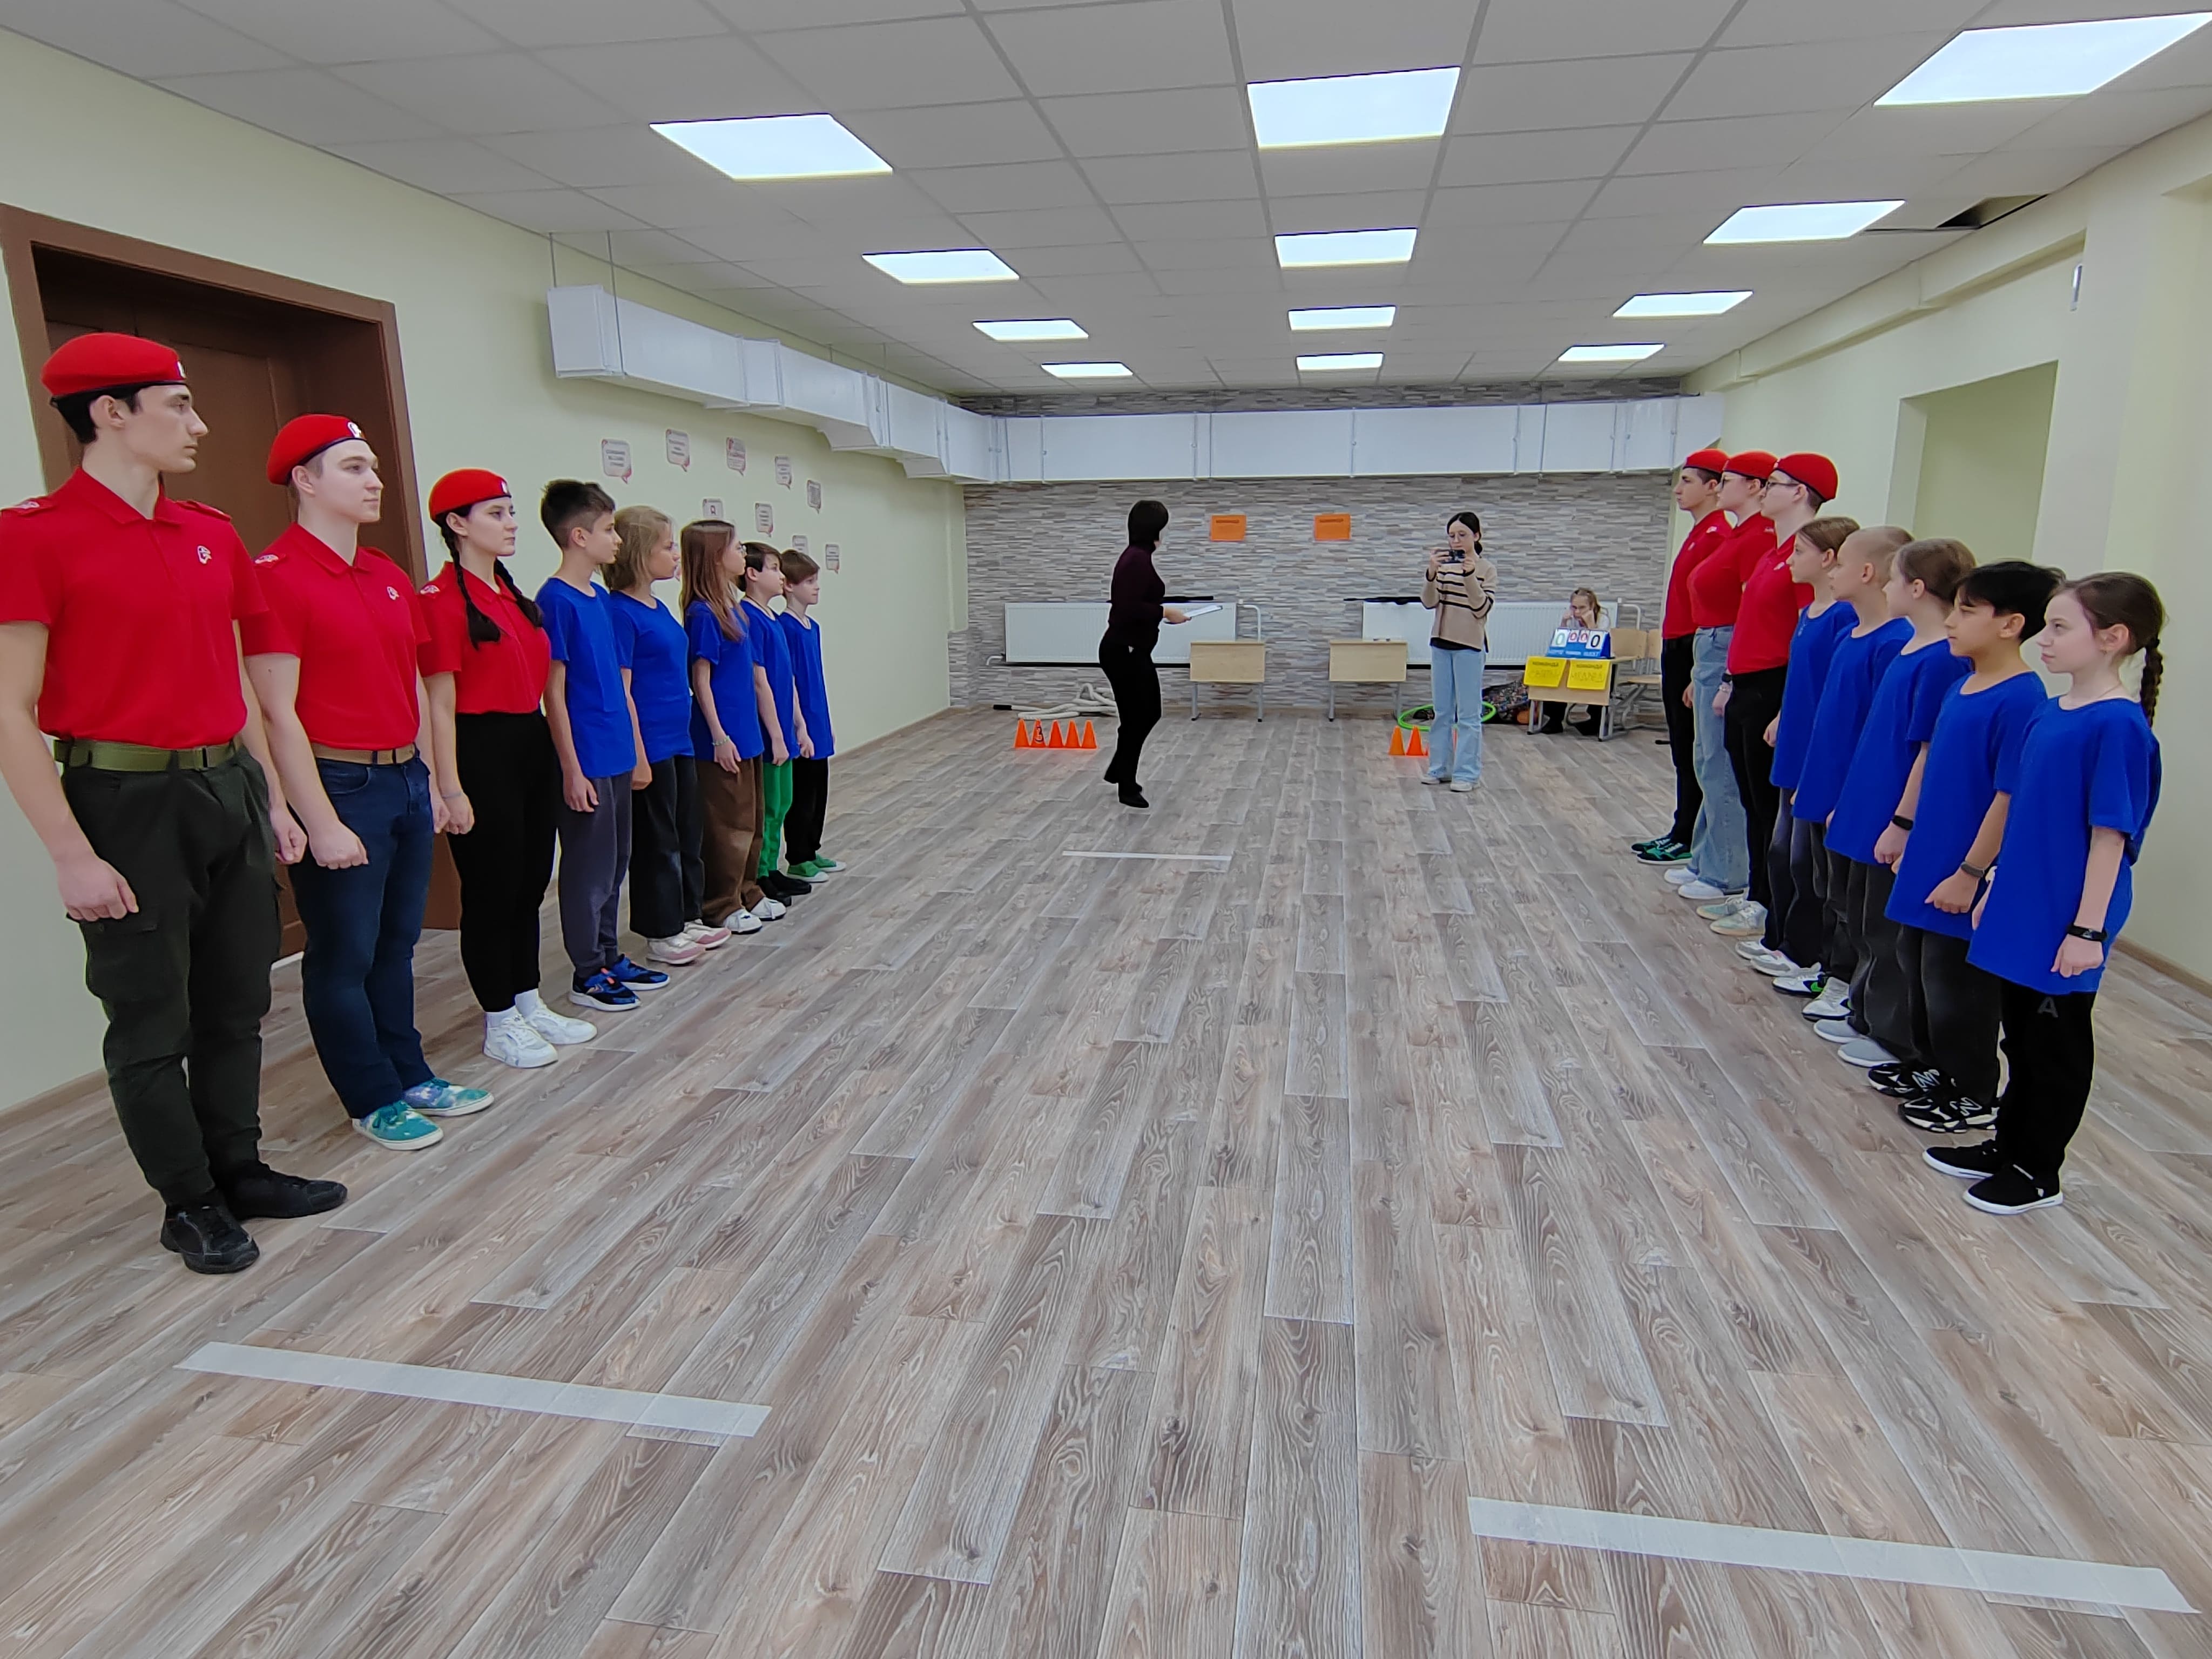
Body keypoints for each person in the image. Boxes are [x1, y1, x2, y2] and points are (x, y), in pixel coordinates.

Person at [0, 333, 341, 1272]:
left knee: (238, 998)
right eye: (178, 405)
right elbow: (9, 708)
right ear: (110, 412)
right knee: (150, 1016)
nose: (199, 425)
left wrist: (272, 800)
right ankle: (188, 1200)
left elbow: (234, 677)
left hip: (225, 784)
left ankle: (239, 1168)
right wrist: (71, 852)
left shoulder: (209, 532)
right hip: (123, 796)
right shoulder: (32, 534)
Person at [245, 416, 493, 1152]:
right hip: (338, 782)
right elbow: (276, 712)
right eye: (354, 467)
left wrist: (434, 782)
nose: (374, 480)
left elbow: (414, 684)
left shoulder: (385, 574)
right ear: (305, 480)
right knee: (344, 953)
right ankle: (370, 1094)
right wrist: (317, 819)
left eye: (374, 466)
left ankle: (409, 1072)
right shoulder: (275, 576)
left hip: (403, 778)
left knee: (396, 943)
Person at [1926, 573, 2163, 1216]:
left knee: (2053, 1045)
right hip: (2023, 900)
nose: (2044, 639)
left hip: (2068, 913)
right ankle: (2008, 1146)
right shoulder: (2049, 711)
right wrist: (1994, 879)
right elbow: (2026, 811)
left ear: (2113, 638)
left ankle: (2037, 1170)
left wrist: (2086, 931)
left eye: (2060, 628)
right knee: (2019, 1036)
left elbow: (2109, 838)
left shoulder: (2117, 726)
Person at [419, 469, 599, 1071]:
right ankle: (498, 1017)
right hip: (480, 747)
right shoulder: (439, 602)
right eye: (496, 514)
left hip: (529, 740)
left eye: (511, 511)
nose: (511, 524)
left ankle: (527, 999)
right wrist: (449, 786)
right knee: (491, 889)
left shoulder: (514, 599)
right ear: (457, 523)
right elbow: (439, 704)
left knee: (529, 881)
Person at [1878, 561, 2062, 1133]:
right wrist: (1905, 828)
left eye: (1967, 610)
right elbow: (1934, 763)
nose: (1952, 621)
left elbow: (2007, 797)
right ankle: (1929, 1064)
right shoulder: (1961, 684)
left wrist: (1971, 872)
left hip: (1963, 862)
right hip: (1928, 852)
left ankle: (1972, 1087)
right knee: (1915, 963)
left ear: (2011, 624)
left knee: (1955, 982)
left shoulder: (2021, 697)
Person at [1815, 537, 1976, 1072]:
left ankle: (1890, 1031)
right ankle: (1862, 1009)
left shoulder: (1941, 661)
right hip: (1867, 802)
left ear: (1916, 587)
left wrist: (1901, 822)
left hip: (1892, 811)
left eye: (1894, 579)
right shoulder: (1911, 651)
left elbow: (1925, 752)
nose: (1885, 587)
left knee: (1887, 933)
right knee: (1860, 918)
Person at [536, 481, 669, 1013]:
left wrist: (635, 752)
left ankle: (610, 956)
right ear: (578, 536)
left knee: (616, 863)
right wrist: (571, 768)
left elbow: (618, 683)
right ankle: (587, 971)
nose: (616, 540)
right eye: (609, 530)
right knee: (588, 870)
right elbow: (554, 692)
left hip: (616, 751)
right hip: (587, 757)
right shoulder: (556, 600)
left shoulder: (598, 601)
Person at [1785, 527, 1915, 1022]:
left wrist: (1848, 796)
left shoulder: (1894, 643)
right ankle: (1831, 971)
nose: (1833, 572)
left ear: (1866, 572)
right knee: (1826, 886)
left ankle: (1848, 985)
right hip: (1825, 782)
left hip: (1854, 793)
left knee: (1855, 902)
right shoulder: (1849, 634)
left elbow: (1877, 733)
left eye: (1840, 564)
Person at [1707, 452, 1833, 941]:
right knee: (1751, 799)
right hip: (1747, 683)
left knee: (1767, 806)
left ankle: (1767, 902)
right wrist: (1728, 682)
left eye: (1774, 483)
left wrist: (1786, 708)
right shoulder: (1772, 553)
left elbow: (1806, 636)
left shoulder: (1805, 560)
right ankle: (1756, 891)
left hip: (1773, 687)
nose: (1764, 491)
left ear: (1799, 493)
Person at [1736, 515, 1857, 985]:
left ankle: (1804, 950)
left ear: (1828, 559)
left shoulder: (1842, 619)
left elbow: (1834, 691)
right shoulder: (1810, 615)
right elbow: (1802, 681)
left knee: (1807, 860)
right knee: (1782, 850)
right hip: (1793, 743)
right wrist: (1783, 716)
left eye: (1800, 553)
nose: (1789, 561)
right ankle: (1779, 936)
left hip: (1816, 753)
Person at [608, 506, 723, 967]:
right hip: (651, 743)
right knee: (658, 841)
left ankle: (689, 914)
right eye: (668, 546)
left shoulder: (659, 609)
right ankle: (661, 929)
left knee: (688, 832)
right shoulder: (620, 612)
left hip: (680, 738)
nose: (676, 555)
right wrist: (637, 752)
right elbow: (624, 689)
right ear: (640, 553)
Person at [1668, 449, 1774, 904]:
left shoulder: (1754, 537)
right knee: (1705, 760)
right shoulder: (1738, 534)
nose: (1723, 486)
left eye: (1728, 480)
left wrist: (1729, 676)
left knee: (1719, 765)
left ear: (1753, 486)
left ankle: (1726, 870)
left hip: (1725, 645)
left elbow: (1750, 610)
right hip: (1710, 645)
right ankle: (1705, 857)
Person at [1633, 450, 1735, 864]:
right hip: (1677, 644)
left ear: (1713, 486)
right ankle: (1682, 827)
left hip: (1696, 646)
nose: (1678, 489)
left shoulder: (1718, 536)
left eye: (1688, 481)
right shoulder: (1699, 533)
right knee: (1682, 746)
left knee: (1697, 748)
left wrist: (1700, 669)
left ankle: (1691, 834)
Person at [682, 519, 770, 935]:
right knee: (727, 826)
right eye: (736, 547)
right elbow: (701, 680)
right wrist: (718, 736)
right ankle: (721, 903)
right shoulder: (702, 613)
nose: (743, 554)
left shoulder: (734, 609)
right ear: (717, 557)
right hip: (721, 737)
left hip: (747, 731)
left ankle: (748, 890)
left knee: (752, 820)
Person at [1100, 498, 1187, 808]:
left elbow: (1137, 603)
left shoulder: (1138, 556)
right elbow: (1127, 608)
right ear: (1156, 530)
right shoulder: (1136, 560)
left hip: (1130, 650)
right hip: (1124, 652)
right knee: (1142, 716)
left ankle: (1120, 770)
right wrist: (1164, 612)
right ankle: (1126, 786)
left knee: (1141, 716)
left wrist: (1162, 613)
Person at [741, 542, 812, 901]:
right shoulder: (749, 617)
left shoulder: (772, 619)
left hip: (784, 727)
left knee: (783, 803)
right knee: (768, 807)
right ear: (752, 574)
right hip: (769, 732)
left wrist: (799, 725)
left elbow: (789, 680)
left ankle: (772, 867)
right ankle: (761, 872)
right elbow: (760, 682)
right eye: (773, 568)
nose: (781, 576)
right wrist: (776, 735)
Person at [1422, 510, 1496, 792]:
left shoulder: (1486, 569)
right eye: (1452, 536)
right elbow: (1429, 602)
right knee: (1442, 711)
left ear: (1476, 536)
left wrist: (1469, 575)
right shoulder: (1444, 567)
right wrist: (1431, 574)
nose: (1456, 541)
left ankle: (1466, 774)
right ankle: (1438, 767)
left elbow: (1481, 608)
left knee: (1468, 715)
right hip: (1441, 644)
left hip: (1469, 647)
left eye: (1462, 535)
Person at [778, 548, 840, 882]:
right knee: (802, 793)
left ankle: (813, 850)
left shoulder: (812, 627)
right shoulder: (784, 627)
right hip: (799, 720)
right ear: (789, 585)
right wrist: (799, 724)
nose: (816, 588)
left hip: (818, 717)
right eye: (810, 582)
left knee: (819, 790)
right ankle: (798, 856)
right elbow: (789, 680)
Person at [1537, 588, 1606, 736]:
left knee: (1604, 678)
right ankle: (1555, 720)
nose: (1577, 612)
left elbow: (1599, 645)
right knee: (1556, 673)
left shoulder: (1604, 619)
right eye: (1574, 607)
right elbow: (1560, 645)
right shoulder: (1571, 619)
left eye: (1582, 608)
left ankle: (1595, 721)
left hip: (1597, 664)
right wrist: (1564, 623)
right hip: (1574, 663)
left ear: (1592, 607)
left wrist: (1591, 625)